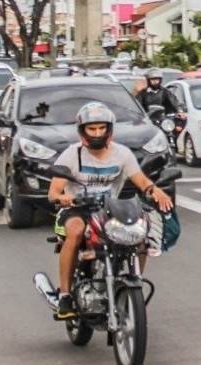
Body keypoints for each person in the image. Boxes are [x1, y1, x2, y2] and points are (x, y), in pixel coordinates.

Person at [47, 102, 174, 320]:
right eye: (91, 129)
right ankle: (66, 295)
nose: (97, 133)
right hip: (78, 209)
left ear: (109, 130)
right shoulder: (71, 155)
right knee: (76, 232)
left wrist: (156, 191)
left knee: (139, 237)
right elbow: (54, 192)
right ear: (82, 131)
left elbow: (141, 181)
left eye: (101, 128)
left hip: (110, 210)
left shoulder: (122, 154)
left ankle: (134, 281)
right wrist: (63, 197)